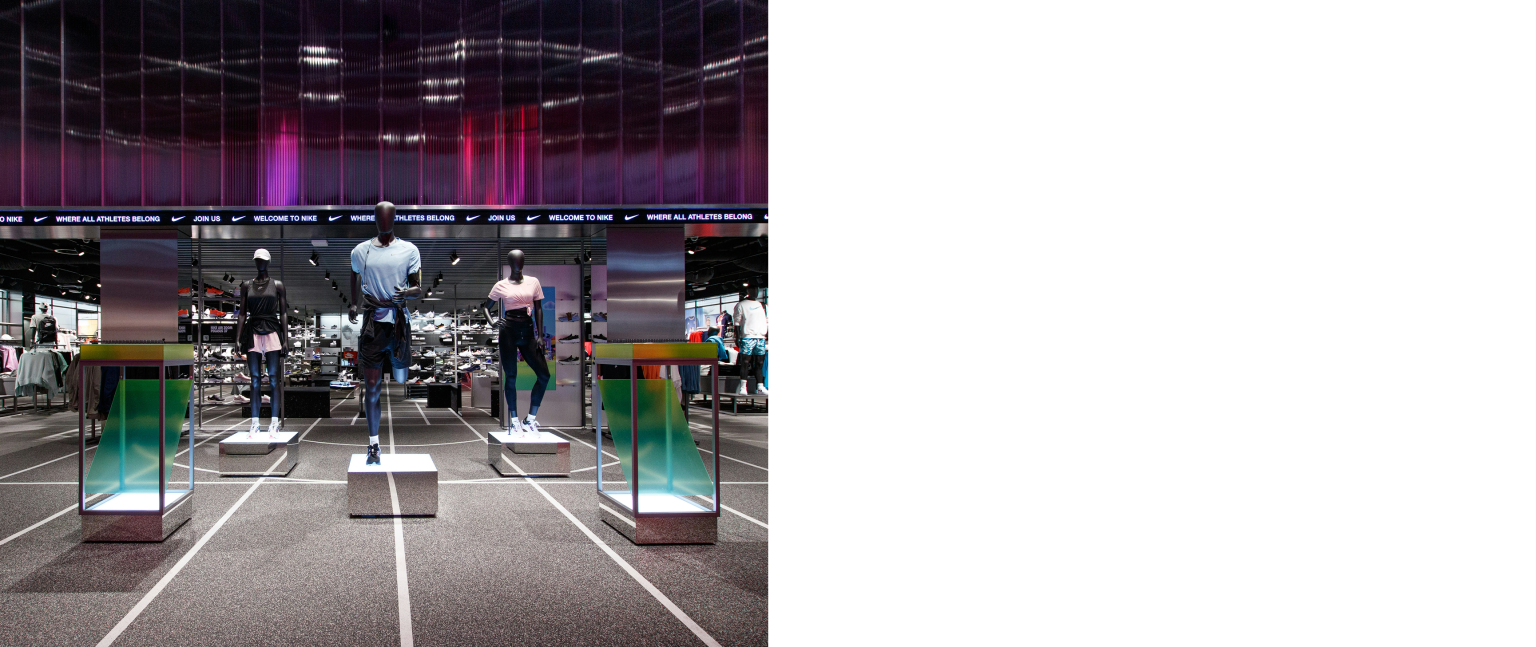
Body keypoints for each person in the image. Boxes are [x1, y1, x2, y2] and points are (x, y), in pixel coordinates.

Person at [348, 201, 422, 465]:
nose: (384, 220)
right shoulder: (360, 251)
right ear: (375, 219)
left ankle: (400, 365)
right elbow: (354, 274)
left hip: (398, 322)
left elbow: (417, 287)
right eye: (380, 216)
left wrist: (407, 293)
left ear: (394, 218)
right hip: (373, 325)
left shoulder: (409, 250)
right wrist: (353, 303)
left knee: (401, 377)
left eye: (388, 216)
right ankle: (373, 444)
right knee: (371, 387)